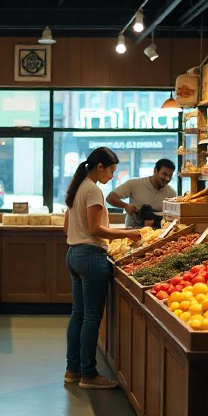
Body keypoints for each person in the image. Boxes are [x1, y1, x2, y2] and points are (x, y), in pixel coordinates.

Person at [63, 147, 140, 389]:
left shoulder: (77, 188)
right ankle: (89, 374)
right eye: (111, 170)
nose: (112, 176)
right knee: (91, 317)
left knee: (78, 315)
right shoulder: (93, 190)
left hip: (73, 254)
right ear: (100, 167)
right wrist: (129, 234)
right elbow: (96, 230)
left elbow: (67, 227)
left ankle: (72, 370)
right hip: (91, 255)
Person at [106, 159, 177, 228]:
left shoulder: (171, 193)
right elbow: (110, 198)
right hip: (132, 233)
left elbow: (175, 218)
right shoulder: (134, 184)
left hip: (158, 236)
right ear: (155, 171)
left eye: (170, 175)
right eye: (164, 174)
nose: (167, 178)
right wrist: (125, 206)